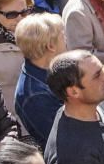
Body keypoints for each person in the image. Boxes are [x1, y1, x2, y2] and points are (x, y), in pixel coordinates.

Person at [14, 12, 67, 148]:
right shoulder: (35, 95)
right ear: (50, 46)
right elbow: (62, 137)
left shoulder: (51, 69)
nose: (66, 40)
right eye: (62, 36)